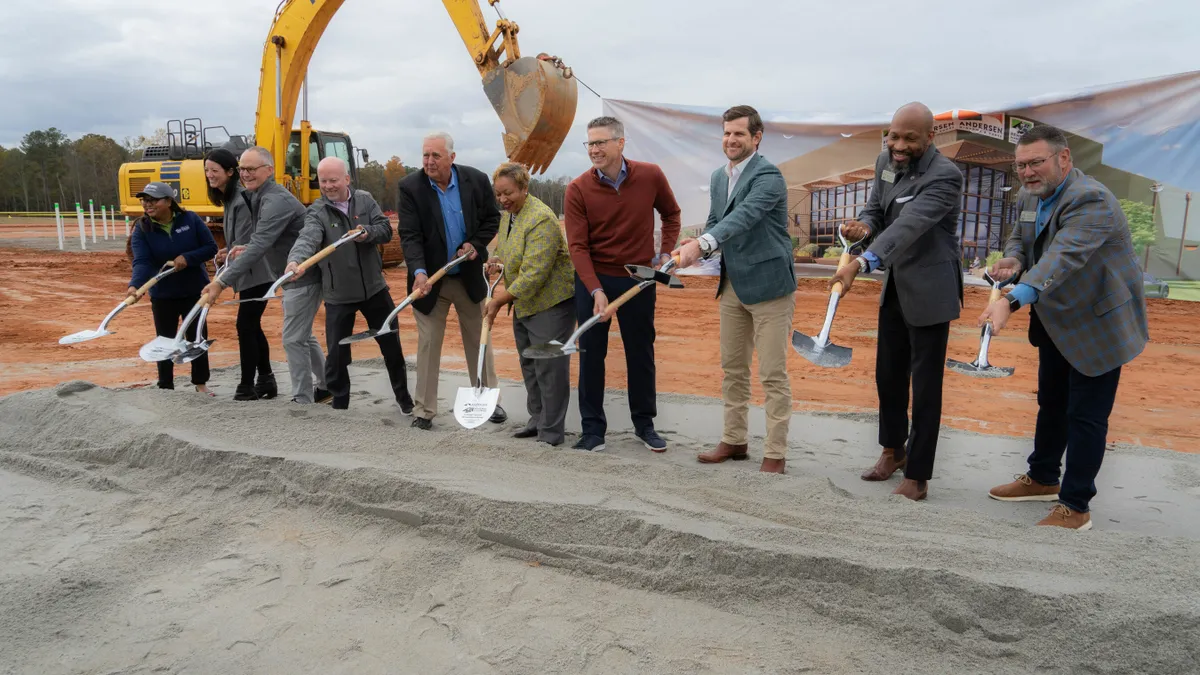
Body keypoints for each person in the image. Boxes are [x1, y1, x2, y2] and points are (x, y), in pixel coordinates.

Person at [979, 124, 1149, 531]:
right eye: (1021, 165)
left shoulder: (1092, 200)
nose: (1027, 172)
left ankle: (1076, 506)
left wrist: (1011, 299)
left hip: (1098, 324)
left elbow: (1062, 258)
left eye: (1036, 162)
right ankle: (1042, 478)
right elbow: (1021, 238)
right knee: (1051, 403)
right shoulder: (1028, 194)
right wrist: (1014, 261)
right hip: (1055, 319)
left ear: (1064, 158)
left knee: (1086, 415)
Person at [830, 102, 965, 502]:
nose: (899, 145)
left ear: (930, 137)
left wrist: (863, 260)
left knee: (925, 387)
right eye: (894, 136)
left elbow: (909, 225)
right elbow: (878, 208)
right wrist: (864, 224)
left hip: (931, 289)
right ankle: (893, 450)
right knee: (887, 375)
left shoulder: (946, 176)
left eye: (909, 138)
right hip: (896, 285)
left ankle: (918, 474)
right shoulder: (885, 161)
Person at [673, 105, 796, 474]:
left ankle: (775, 453)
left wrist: (705, 244)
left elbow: (744, 218)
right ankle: (735, 440)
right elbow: (717, 221)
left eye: (739, 133)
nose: (731, 139)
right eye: (727, 133)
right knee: (733, 369)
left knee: (773, 374)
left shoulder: (769, 176)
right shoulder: (717, 177)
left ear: (756, 138)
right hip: (733, 286)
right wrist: (691, 244)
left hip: (771, 287)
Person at [564, 116, 682, 453]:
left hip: (640, 280)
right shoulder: (577, 189)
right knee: (590, 354)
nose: (594, 149)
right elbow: (577, 247)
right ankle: (592, 431)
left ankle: (644, 425)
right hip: (595, 279)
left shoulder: (651, 175)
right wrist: (595, 290)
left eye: (601, 142)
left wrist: (664, 253)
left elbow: (671, 214)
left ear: (620, 143)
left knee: (640, 353)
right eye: (590, 143)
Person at [285, 157, 413, 412]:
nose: (329, 186)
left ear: (347, 179)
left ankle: (404, 401)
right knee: (337, 355)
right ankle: (340, 405)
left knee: (391, 348)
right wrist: (295, 261)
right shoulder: (317, 211)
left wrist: (366, 233)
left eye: (333, 180)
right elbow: (307, 239)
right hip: (338, 295)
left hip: (375, 290)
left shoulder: (365, 200)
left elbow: (385, 229)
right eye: (323, 181)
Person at [202, 146, 327, 404]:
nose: (245, 174)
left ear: (269, 171)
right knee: (302, 333)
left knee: (293, 339)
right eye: (243, 169)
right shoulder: (258, 195)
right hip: (289, 274)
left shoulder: (274, 200)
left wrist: (220, 282)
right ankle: (327, 385)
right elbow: (265, 239)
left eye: (251, 169)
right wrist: (243, 246)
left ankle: (303, 399)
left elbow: (261, 244)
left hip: (303, 273)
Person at [397, 131, 504, 430]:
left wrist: (475, 245)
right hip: (430, 282)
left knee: (478, 341)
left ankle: (488, 402)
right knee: (428, 344)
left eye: (436, 156)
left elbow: (491, 220)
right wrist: (418, 271)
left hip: (468, 277)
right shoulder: (410, 187)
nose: (429, 162)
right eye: (425, 155)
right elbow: (410, 235)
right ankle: (424, 411)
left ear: (452, 158)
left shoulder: (476, 180)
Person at [484, 162, 576, 447]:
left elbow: (534, 274)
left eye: (508, 193)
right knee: (530, 365)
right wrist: (496, 262)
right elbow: (506, 251)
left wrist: (499, 300)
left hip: (550, 305)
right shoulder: (509, 215)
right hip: (524, 305)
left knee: (549, 368)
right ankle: (537, 421)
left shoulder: (541, 219)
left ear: (524, 188)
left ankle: (551, 433)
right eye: (498, 194)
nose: (502, 200)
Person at [127, 182, 217, 393]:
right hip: (163, 294)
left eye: (153, 200)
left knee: (196, 337)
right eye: (145, 201)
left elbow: (211, 248)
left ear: (168, 201)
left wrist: (188, 257)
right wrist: (134, 285)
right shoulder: (142, 229)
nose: (148, 205)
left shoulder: (190, 219)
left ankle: (200, 383)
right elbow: (142, 261)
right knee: (164, 340)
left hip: (195, 291)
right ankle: (165, 386)